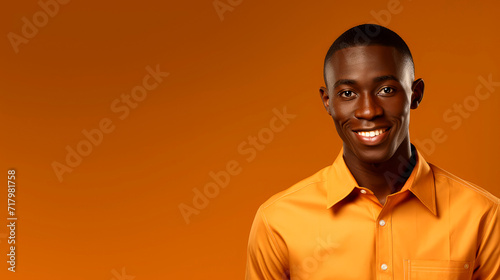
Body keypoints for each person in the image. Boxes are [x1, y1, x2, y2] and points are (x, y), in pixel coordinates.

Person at [245, 23, 499, 279]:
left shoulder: (483, 216)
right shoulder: (278, 221)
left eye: (386, 90)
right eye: (347, 93)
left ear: (416, 94)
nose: (368, 111)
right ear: (327, 102)